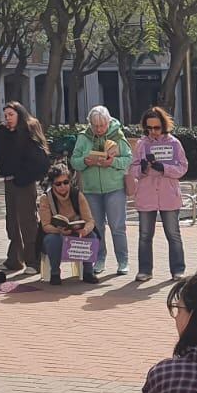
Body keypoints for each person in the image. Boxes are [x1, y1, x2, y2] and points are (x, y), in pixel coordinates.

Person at [70, 105, 132, 278]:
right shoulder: (83, 137)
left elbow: (128, 158)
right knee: (96, 227)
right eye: (95, 126)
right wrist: (85, 161)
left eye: (102, 125)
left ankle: (123, 261)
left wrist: (112, 162)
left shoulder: (117, 135)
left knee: (117, 226)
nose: (99, 129)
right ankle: (99, 259)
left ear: (108, 122)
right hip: (91, 189)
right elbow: (74, 161)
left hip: (115, 188)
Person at [0, 101, 51, 277]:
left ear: (20, 115)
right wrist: (1, 131)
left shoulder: (29, 132)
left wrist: (24, 177)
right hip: (9, 181)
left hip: (24, 183)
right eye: (5, 115)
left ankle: (33, 261)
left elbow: (40, 160)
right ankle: (14, 259)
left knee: (27, 221)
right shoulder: (5, 133)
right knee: (12, 222)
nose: (8, 118)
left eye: (11, 115)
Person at [130, 106, 188, 283]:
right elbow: (132, 169)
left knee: (173, 234)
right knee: (145, 235)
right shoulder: (141, 144)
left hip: (168, 195)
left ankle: (178, 270)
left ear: (164, 126)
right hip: (146, 195)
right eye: (149, 128)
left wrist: (164, 168)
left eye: (156, 128)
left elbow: (183, 167)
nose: (153, 132)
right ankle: (145, 270)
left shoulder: (174, 143)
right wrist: (142, 168)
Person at [38, 163, 98, 286]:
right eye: (58, 184)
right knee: (52, 239)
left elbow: (90, 220)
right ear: (52, 184)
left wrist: (85, 230)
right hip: (56, 233)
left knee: (91, 235)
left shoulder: (77, 195)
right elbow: (46, 226)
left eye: (66, 182)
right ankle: (55, 273)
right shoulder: (46, 198)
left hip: (75, 232)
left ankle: (88, 272)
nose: (63, 186)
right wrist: (60, 231)